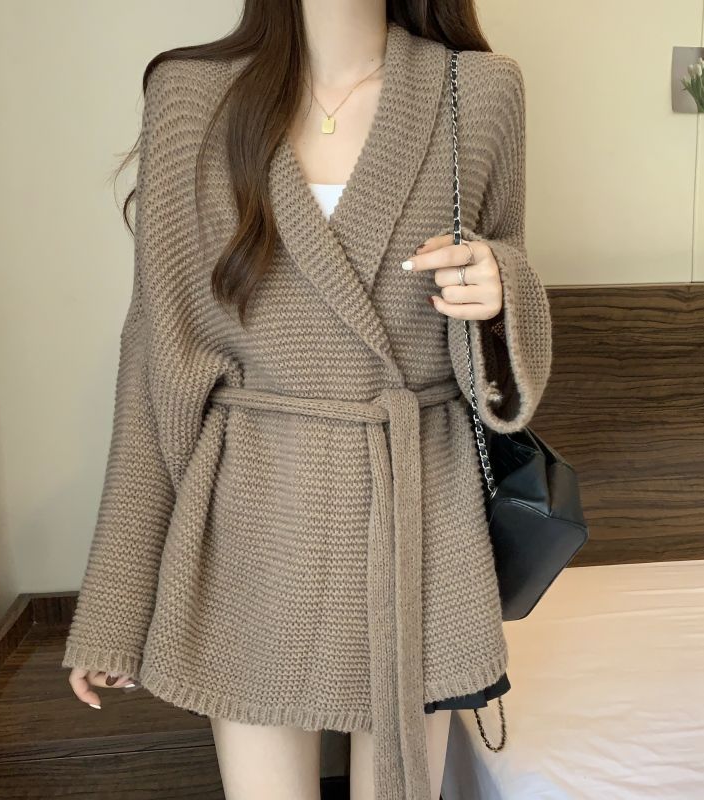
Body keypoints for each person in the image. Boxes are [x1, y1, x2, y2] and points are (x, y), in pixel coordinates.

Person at [62, 2, 553, 798]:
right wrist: (118, 603)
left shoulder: (479, 91)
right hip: (254, 530)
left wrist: (502, 290)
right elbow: (157, 361)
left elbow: (492, 350)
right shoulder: (191, 96)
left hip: (418, 518)